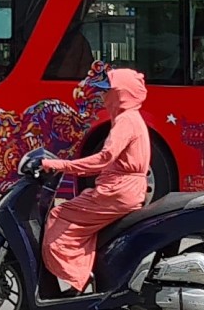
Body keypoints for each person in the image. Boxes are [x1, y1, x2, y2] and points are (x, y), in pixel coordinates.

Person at [39, 68, 152, 295]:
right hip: (124, 190)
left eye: (106, 92)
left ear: (120, 94)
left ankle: (77, 276)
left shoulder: (125, 121)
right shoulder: (131, 118)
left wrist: (61, 165)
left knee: (60, 215)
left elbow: (103, 159)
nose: (102, 97)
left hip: (116, 192)